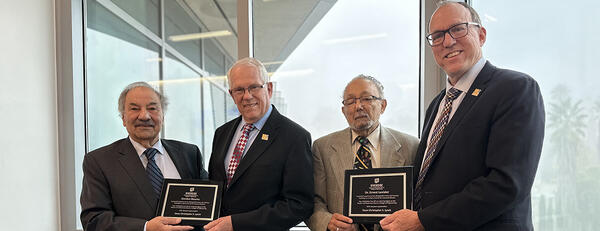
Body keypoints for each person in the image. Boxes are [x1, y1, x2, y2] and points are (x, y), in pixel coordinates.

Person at [380, 1, 545, 230]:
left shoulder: (515, 89)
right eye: (437, 36)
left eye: (458, 29)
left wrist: (423, 220)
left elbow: (506, 184)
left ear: (482, 35)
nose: (447, 41)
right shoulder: (437, 105)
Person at [80, 82, 208, 231]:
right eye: (134, 109)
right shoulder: (99, 161)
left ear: (163, 116)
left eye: (152, 108)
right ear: (123, 118)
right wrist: (145, 227)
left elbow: (206, 206)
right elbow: (94, 220)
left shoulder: (189, 154)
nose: (144, 116)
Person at [204, 57, 314, 231]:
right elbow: (215, 187)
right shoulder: (222, 133)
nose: (247, 96)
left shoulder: (295, 137)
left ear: (269, 89)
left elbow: (298, 205)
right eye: (239, 90)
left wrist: (236, 224)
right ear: (232, 95)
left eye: (254, 87)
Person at [306, 75, 419, 231]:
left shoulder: (411, 146)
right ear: (343, 110)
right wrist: (327, 221)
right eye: (350, 101)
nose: (358, 106)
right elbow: (313, 201)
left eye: (366, 99)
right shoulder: (322, 148)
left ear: (383, 105)